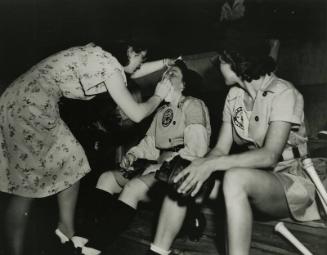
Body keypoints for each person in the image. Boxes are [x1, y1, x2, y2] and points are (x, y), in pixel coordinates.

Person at [146, 39, 322, 255]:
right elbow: (220, 150)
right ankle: (158, 251)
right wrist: (198, 166)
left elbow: (270, 155)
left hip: (291, 180)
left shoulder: (284, 92)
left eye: (221, 60)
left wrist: (211, 165)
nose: (217, 65)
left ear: (237, 61)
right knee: (184, 174)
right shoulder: (235, 96)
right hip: (253, 177)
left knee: (235, 177)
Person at [0, 41, 174, 255]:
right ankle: (56, 233)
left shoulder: (99, 55)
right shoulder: (110, 66)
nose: (142, 64)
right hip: (31, 106)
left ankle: (66, 230)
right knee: (31, 184)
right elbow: (136, 113)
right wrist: (158, 95)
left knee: (70, 161)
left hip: (15, 100)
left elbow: (132, 72)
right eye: (142, 57)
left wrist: (167, 63)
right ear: (130, 51)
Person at [81, 60, 211, 254]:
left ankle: (94, 247)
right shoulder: (160, 111)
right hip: (158, 168)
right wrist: (133, 155)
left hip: (180, 172)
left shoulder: (193, 105)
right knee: (107, 178)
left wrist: (161, 165)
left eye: (173, 74)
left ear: (184, 85)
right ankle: (82, 237)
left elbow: (197, 150)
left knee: (133, 187)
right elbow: (149, 144)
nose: (166, 77)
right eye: (164, 75)